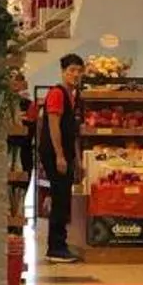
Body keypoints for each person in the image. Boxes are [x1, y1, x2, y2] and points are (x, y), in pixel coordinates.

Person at [37, 53, 86, 264]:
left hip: (66, 152)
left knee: (64, 197)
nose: (75, 74)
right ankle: (55, 248)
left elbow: (72, 131)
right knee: (60, 197)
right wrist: (59, 155)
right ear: (63, 72)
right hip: (54, 152)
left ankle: (60, 244)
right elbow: (54, 126)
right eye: (71, 70)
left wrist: (76, 158)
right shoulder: (57, 94)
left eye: (78, 71)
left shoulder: (73, 95)